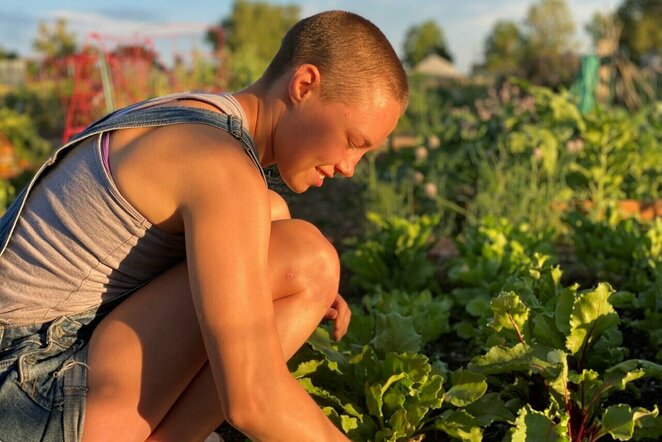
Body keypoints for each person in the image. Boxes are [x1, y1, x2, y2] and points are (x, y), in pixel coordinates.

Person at [0, 10, 408, 442]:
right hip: (26, 398)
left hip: (27, 373)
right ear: (304, 85)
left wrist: (289, 283)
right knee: (309, 262)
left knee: (279, 227)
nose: (349, 167)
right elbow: (253, 399)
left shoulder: (195, 118)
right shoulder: (220, 166)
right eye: (352, 141)